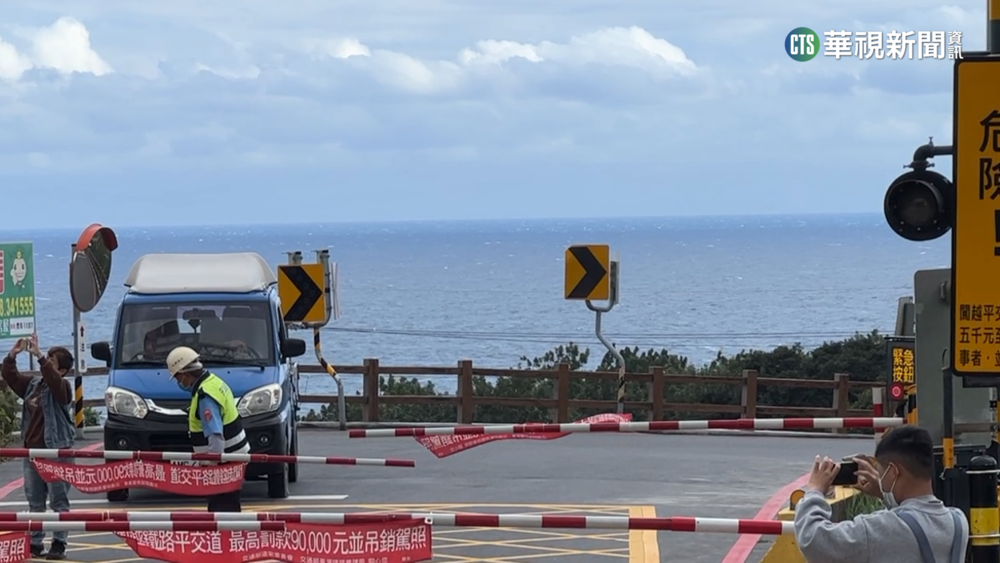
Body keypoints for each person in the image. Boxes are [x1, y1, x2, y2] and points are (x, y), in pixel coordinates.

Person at [794, 424, 968, 563]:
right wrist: (883, 494)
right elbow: (914, 523)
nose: (880, 478)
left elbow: (813, 540)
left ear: (893, 471)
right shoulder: (958, 521)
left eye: (880, 472)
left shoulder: (877, 529)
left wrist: (814, 491)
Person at [1, 334, 74, 560]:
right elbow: (10, 377)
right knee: (35, 502)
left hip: (56, 452)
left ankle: (59, 543)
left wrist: (40, 356)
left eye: (52, 361)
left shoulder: (63, 387)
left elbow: (54, 382)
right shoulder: (33, 385)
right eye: (47, 359)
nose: (46, 363)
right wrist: (12, 355)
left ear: (62, 370)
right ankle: (35, 542)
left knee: (59, 501)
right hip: (32, 452)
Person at [165, 345, 249, 512]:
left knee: (221, 508)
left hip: (224, 462)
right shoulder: (214, 382)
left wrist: (211, 466)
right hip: (234, 457)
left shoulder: (205, 396)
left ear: (185, 374)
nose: (179, 382)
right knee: (230, 505)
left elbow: (216, 436)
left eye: (178, 378)